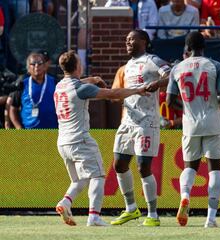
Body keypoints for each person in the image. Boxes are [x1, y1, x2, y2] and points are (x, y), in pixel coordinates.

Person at [55, 50, 148, 227]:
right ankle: (94, 216)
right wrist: (137, 90)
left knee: (79, 179)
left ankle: (65, 202)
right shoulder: (82, 89)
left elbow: (78, 83)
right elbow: (112, 94)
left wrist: (93, 78)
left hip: (63, 142)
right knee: (98, 176)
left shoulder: (59, 86)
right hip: (80, 139)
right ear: (78, 66)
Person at [166, 31, 220, 228]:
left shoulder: (177, 68)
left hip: (190, 124)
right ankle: (210, 218)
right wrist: (214, 100)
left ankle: (185, 196)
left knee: (189, 167)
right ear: (204, 47)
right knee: (214, 170)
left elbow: (169, 101)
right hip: (212, 122)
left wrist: (186, 106)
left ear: (187, 48)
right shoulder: (215, 65)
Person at [110, 29, 171, 227]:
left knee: (143, 166)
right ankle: (131, 209)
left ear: (143, 41)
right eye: (126, 39)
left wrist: (158, 83)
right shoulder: (127, 66)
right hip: (127, 121)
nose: (127, 41)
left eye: (131, 39)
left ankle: (153, 213)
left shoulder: (151, 60)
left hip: (147, 122)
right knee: (119, 164)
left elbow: (172, 75)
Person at [8, 51, 58, 129]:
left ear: (45, 66)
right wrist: (19, 127)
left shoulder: (54, 82)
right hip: (29, 133)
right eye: (33, 64)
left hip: (51, 131)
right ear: (28, 68)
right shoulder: (22, 84)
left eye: (40, 63)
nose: (36, 66)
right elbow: (13, 108)